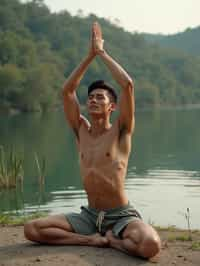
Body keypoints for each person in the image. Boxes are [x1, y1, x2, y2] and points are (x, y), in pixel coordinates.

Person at [24, 22, 161, 259]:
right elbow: (67, 91)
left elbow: (127, 84)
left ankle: (114, 242)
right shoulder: (81, 131)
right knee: (31, 229)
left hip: (121, 216)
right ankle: (91, 241)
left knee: (150, 245)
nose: (93, 100)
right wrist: (89, 56)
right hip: (89, 216)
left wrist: (102, 53)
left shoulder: (122, 130)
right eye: (91, 97)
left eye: (100, 97)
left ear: (112, 107)